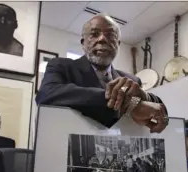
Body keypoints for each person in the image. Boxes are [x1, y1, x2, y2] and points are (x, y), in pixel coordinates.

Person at [36, 13, 168, 133]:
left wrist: (144, 96)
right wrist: (129, 106)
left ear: (118, 44)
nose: (102, 39)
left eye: (110, 35)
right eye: (94, 34)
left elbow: (157, 108)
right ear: (83, 43)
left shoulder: (131, 80)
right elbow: (46, 95)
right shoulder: (61, 66)